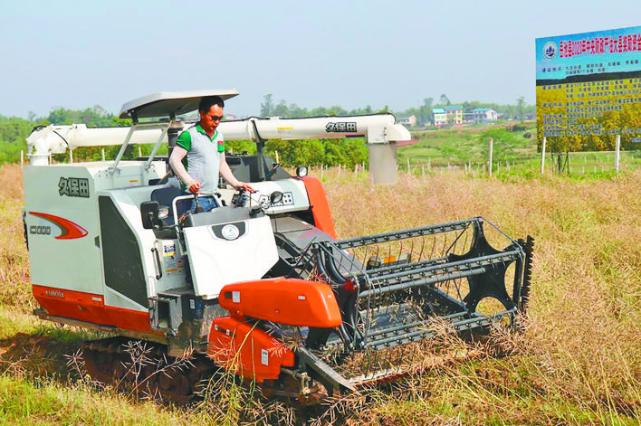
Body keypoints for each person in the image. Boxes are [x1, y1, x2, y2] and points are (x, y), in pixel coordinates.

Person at [169, 96, 254, 213]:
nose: (217, 122)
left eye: (220, 118)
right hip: (194, 199)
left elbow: (222, 164)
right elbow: (174, 160)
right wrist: (189, 182)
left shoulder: (219, 137)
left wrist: (236, 183)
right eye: (214, 118)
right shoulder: (188, 135)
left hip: (213, 197)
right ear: (202, 114)